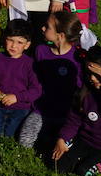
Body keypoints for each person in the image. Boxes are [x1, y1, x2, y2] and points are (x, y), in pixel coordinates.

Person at [51, 46, 101, 176]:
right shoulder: (85, 93)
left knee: (83, 171)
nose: (92, 78)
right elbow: (73, 120)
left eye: (97, 74)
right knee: (58, 165)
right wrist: (62, 139)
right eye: (89, 74)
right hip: (85, 141)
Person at [18, 11, 83, 152]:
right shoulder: (41, 51)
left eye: (47, 27)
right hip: (41, 110)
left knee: (61, 144)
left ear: (60, 35)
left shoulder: (77, 57)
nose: (42, 28)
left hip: (65, 115)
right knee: (25, 141)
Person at [0, 20, 41, 137]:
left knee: (11, 137)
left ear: (27, 45)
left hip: (20, 108)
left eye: (19, 42)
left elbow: (36, 90)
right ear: (4, 38)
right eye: (10, 40)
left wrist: (17, 97)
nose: (13, 46)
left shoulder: (30, 64)